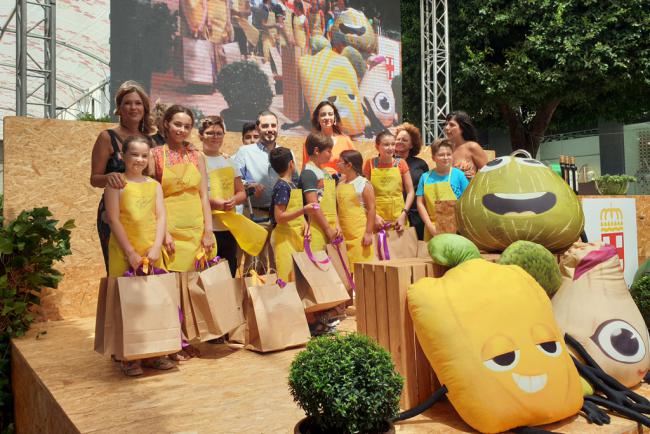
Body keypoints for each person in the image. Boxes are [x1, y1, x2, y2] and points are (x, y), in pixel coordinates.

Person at [104, 135, 174, 376]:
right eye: (134, 154)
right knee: (126, 303)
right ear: (122, 156)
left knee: (154, 300)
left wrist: (156, 247)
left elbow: (161, 216)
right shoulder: (115, 184)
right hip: (125, 252)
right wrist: (131, 252)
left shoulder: (154, 185)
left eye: (144, 155)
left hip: (152, 252)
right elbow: (113, 218)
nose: (139, 160)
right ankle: (128, 356)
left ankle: (155, 352)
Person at [90, 81, 153, 273]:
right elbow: (94, 178)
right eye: (127, 103)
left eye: (138, 103)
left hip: (144, 215)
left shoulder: (152, 140)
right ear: (119, 108)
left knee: (146, 270)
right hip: (114, 215)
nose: (133, 107)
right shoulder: (107, 137)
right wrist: (110, 176)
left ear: (144, 108)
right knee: (119, 270)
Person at [150, 105, 217, 273]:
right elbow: (152, 201)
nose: (182, 130)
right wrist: (163, 234)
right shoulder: (155, 155)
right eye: (177, 124)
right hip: (170, 232)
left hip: (197, 231)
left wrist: (208, 231)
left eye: (187, 126)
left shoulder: (196, 156)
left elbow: (203, 196)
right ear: (166, 124)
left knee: (198, 287)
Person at [233, 110, 297, 273]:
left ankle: (279, 298)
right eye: (265, 125)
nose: (270, 129)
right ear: (257, 127)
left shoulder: (287, 152)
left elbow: (294, 181)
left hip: (281, 216)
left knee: (280, 265)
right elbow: (237, 180)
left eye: (273, 125)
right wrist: (250, 185)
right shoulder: (244, 152)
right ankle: (252, 298)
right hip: (255, 216)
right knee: (254, 266)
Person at [199, 116, 248, 277]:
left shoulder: (230, 162)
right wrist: (213, 202)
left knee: (230, 270)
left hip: (228, 227)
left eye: (219, 133)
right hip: (205, 228)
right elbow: (194, 194)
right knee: (208, 273)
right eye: (210, 133)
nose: (215, 137)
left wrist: (234, 200)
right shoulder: (196, 160)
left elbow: (241, 192)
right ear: (201, 136)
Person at [269, 147, 317, 282]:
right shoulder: (282, 187)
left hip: (296, 236)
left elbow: (298, 213)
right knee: (286, 277)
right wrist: (304, 210)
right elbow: (279, 217)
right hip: (284, 239)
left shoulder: (292, 185)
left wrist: (306, 226)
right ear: (291, 163)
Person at [416, 139, 469, 241]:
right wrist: (430, 226)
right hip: (432, 228)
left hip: (455, 229)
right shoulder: (425, 177)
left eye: (448, 154)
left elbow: (466, 202)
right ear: (433, 158)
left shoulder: (459, 175)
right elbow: (420, 203)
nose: (445, 158)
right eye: (441, 155)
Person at [362, 131, 414, 232]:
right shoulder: (370, 164)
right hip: (377, 219)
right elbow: (363, 194)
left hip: (398, 218)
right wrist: (374, 216)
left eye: (393, 144)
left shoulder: (401, 163)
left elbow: (410, 192)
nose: (390, 148)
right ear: (377, 147)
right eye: (386, 145)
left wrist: (404, 214)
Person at [300, 132, 341, 251]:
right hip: (316, 230)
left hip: (331, 228)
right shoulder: (309, 173)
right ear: (317, 150)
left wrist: (336, 224)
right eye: (328, 151)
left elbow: (332, 203)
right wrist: (328, 229)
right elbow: (313, 205)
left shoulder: (325, 172)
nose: (331, 155)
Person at [336, 149, 375, 266]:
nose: (337, 164)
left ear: (349, 165)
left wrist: (368, 232)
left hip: (359, 235)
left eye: (340, 162)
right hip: (343, 235)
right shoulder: (340, 184)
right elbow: (337, 209)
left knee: (360, 268)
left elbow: (372, 209)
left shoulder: (364, 184)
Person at [301, 100, 356, 176]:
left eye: (330, 114)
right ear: (317, 118)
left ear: (335, 117)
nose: (327, 117)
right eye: (323, 115)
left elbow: (356, 167)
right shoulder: (310, 142)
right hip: (318, 185)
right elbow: (305, 168)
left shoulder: (346, 141)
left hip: (341, 185)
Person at [395, 122, 429, 240]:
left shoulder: (421, 164)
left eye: (404, 140)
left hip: (416, 215)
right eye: (398, 139)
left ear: (411, 145)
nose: (400, 141)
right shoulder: (385, 163)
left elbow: (425, 190)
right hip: (394, 214)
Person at [444, 111, 488, 180]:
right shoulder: (446, 148)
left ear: (462, 128)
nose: (446, 128)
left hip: (469, 189)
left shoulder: (472, 147)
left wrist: (475, 178)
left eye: (452, 125)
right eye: (446, 124)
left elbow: (489, 174)